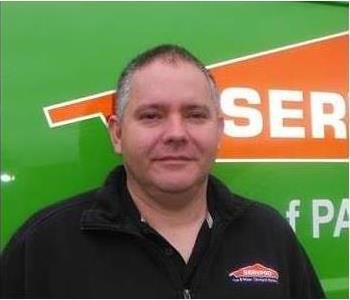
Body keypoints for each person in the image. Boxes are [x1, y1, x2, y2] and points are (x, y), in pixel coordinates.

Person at [1, 45, 325, 298]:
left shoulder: (270, 235)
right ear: (117, 134)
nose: (176, 133)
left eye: (195, 115)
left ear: (220, 130)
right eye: (152, 116)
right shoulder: (43, 248)